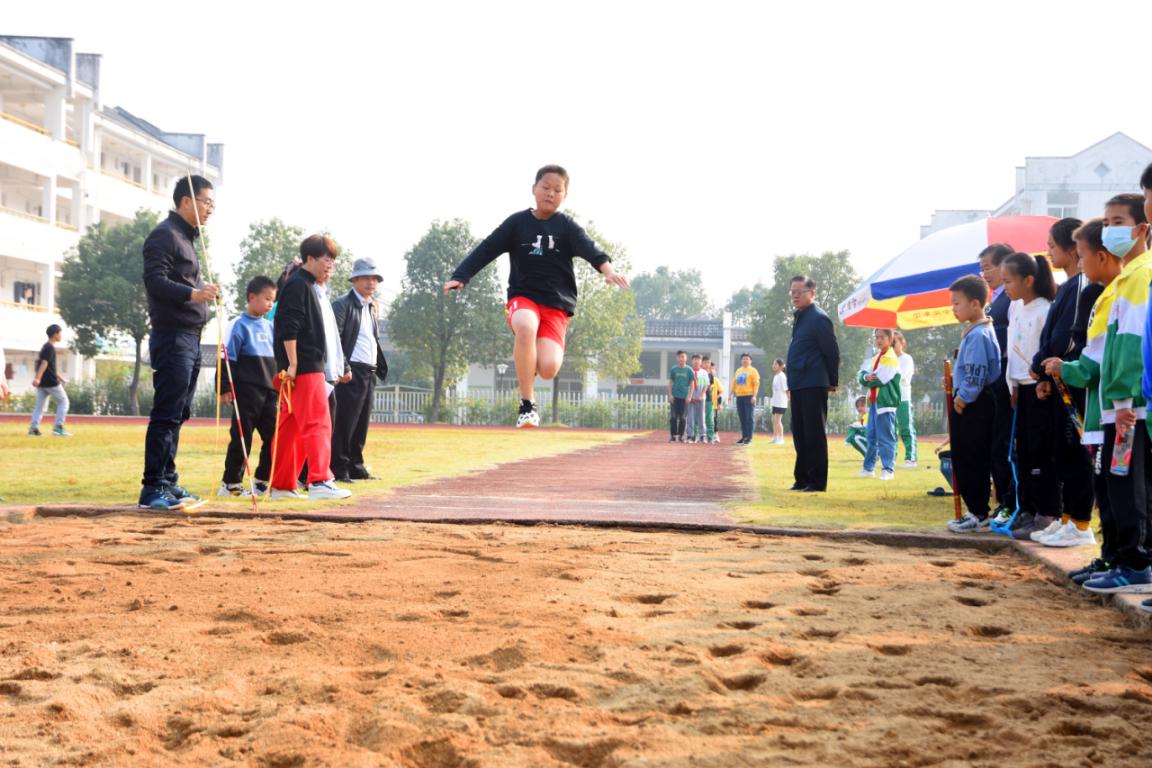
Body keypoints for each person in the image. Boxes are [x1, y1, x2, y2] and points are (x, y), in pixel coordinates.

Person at [443, 164, 629, 428]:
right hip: (523, 297)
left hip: (556, 305)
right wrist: (461, 275)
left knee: (548, 368)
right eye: (545, 187)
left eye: (557, 190)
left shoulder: (566, 226)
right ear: (534, 189)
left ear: (565, 196)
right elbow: (487, 248)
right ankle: (527, 405)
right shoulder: (517, 223)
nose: (550, 193)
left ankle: (529, 365)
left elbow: (591, 248)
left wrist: (608, 271)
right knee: (526, 327)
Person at [1074, 194, 1152, 594]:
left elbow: (1130, 343)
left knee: (1125, 483)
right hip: (1116, 405)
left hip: (1128, 407)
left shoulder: (1140, 275)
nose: (1109, 229)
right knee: (1113, 483)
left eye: (1118, 220)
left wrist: (1123, 401)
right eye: (1106, 221)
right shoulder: (1126, 277)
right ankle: (1121, 556)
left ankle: (1135, 561)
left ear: (1142, 228)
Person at [1043, 218, 1123, 580]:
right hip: (1095, 398)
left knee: (1113, 480)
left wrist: (1064, 367)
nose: (1049, 252)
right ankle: (1107, 550)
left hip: (1118, 405)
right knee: (1098, 476)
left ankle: (1122, 554)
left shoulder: (1104, 289)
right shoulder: (1083, 290)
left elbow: (1088, 352)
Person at [139, 175, 219, 511]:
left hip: (191, 336)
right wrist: (193, 293)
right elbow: (155, 281)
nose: (210, 210)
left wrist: (204, 298)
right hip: (172, 336)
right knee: (167, 413)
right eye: (206, 203)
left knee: (180, 413)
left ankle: (168, 481)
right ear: (186, 201)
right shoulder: (164, 235)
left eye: (213, 205)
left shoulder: (189, 239)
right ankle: (152, 488)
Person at [1025, 217, 1102, 545]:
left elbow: (1069, 338)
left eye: (1053, 246)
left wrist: (1045, 366)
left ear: (1074, 249)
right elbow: (1049, 336)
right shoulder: (1066, 286)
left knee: (1075, 452)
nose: (1048, 251)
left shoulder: (1082, 283)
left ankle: (1081, 524)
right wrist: (1043, 371)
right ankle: (1069, 518)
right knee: (1061, 452)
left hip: (1073, 378)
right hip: (1058, 378)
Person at [270, 235, 352, 501]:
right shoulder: (298, 286)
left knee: (291, 428)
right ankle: (319, 479)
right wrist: (292, 363)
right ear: (309, 259)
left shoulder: (311, 287)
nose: (330, 265)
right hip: (304, 366)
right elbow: (288, 325)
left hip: (307, 366)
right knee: (318, 423)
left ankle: (282, 485)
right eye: (326, 260)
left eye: (333, 261)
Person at [997, 252, 1057, 534]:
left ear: (1028, 280)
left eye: (1009, 281)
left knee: (1039, 453)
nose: (1005, 286)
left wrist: (1041, 379)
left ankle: (1046, 514)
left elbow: (1044, 351)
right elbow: (1012, 352)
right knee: (1022, 454)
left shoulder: (1045, 309)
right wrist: (1012, 386)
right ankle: (1028, 509)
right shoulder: (1017, 309)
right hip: (1019, 389)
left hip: (1039, 390)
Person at [946, 275, 1002, 533]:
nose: (953, 308)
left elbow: (976, 373)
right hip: (973, 400)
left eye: (957, 303)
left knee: (972, 457)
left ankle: (978, 512)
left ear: (976, 304)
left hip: (975, 403)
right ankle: (975, 510)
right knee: (968, 457)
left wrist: (962, 397)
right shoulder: (976, 331)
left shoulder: (979, 334)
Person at [217, 276, 278, 497]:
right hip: (246, 391)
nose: (270, 304)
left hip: (270, 391)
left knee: (274, 436)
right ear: (252, 297)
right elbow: (226, 357)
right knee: (243, 436)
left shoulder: (271, 327)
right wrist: (224, 386)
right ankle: (231, 483)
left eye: (273, 300)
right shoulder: (237, 325)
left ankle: (262, 480)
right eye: (267, 299)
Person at [330, 257, 389, 482]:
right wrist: (343, 366)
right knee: (345, 421)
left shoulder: (371, 306)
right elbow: (334, 339)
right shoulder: (343, 304)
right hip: (350, 371)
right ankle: (339, 468)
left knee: (361, 421)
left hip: (369, 370)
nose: (370, 282)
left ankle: (356, 465)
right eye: (365, 277)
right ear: (354, 279)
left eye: (374, 278)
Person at [785, 275, 840, 492]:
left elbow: (832, 352)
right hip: (798, 383)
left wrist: (832, 381)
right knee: (799, 431)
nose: (795, 295)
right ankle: (802, 478)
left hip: (814, 382)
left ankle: (817, 481)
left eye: (800, 291)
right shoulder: (799, 317)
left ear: (812, 293)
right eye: (792, 292)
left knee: (813, 433)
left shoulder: (819, 318)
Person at [979, 243, 1016, 520]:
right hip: (995, 383)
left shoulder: (1011, 300)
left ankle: (1009, 500)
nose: (985, 274)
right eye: (982, 269)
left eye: (988, 268)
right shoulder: (997, 300)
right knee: (995, 442)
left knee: (1004, 443)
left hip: (1008, 382)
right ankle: (1003, 499)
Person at [857, 328, 900, 480]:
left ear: (890, 338)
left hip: (886, 403)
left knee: (886, 437)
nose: (879, 340)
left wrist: (868, 378)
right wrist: (866, 377)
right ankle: (868, 468)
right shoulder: (876, 357)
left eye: (882, 337)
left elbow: (879, 379)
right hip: (875, 402)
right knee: (871, 436)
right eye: (877, 337)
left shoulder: (890, 358)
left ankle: (888, 469)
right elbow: (861, 375)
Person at [28, 324, 70, 437]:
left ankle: (33, 429)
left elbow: (51, 368)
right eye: (60, 333)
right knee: (64, 402)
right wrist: (37, 378)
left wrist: (62, 378)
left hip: (43, 383)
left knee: (39, 407)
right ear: (55, 334)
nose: (61, 335)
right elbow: (44, 363)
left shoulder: (45, 347)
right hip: (50, 382)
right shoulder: (50, 348)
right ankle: (58, 428)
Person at [892, 332, 917, 467]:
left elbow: (900, 377)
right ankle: (891, 457)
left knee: (906, 428)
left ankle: (911, 458)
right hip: (890, 399)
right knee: (891, 430)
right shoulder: (888, 358)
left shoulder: (907, 359)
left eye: (894, 342)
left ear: (902, 343)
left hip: (903, 399)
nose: (892, 345)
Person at [732, 353, 760, 445]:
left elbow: (756, 384)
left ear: (750, 361)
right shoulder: (738, 370)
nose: (745, 360)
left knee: (749, 417)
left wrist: (754, 396)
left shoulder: (753, 371)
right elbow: (734, 383)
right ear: (741, 360)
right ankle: (744, 437)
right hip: (739, 396)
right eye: (743, 359)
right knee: (742, 417)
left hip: (749, 396)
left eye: (747, 359)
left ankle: (749, 438)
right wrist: (730, 394)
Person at [667, 350, 692, 443]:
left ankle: (681, 436)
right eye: (679, 357)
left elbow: (692, 384)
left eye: (683, 356)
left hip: (684, 397)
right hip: (675, 397)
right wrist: (670, 395)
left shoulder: (689, 370)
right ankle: (673, 436)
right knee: (673, 417)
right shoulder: (674, 369)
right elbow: (670, 383)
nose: (681, 358)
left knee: (682, 417)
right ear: (677, 358)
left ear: (686, 358)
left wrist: (689, 396)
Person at [685, 354, 708, 444]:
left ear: (701, 362)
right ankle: (690, 436)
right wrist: (689, 396)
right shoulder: (688, 371)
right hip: (691, 397)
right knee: (690, 417)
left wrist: (702, 395)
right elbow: (687, 384)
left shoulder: (704, 372)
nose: (696, 361)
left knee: (701, 417)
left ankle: (702, 436)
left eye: (698, 359)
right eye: (694, 359)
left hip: (701, 398)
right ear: (692, 361)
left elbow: (706, 385)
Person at [770, 358, 788, 444]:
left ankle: (781, 439)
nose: (773, 366)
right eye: (773, 364)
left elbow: (786, 389)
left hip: (781, 402)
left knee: (777, 420)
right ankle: (775, 437)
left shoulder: (782, 376)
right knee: (773, 420)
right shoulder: (776, 376)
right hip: (775, 401)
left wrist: (788, 398)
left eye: (775, 364)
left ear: (780, 366)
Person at [707, 359, 724, 444]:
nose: (711, 370)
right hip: (705, 404)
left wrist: (719, 404)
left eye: (713, 369)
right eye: (710, 368)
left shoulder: (716, 380)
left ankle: (716, 435)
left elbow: (720, 392)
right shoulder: (704, 378)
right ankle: (702, 435)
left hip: (714, 405)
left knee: (714, 420)